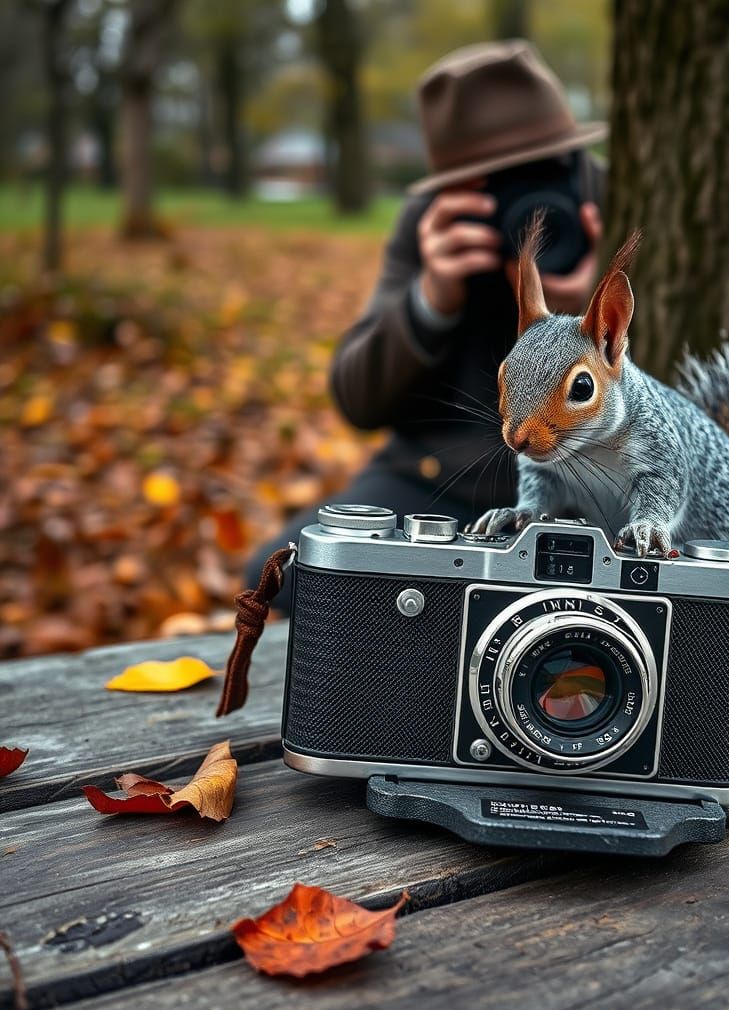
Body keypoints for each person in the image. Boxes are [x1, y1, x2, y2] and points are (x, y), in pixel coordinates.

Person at [244, 39, 607, 607]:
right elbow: (356, 398)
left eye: (541, 171)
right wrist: (431, 296)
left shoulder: (610, 201)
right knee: (279, 576)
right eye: (495, 181)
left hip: (589, 493)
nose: (528, 207)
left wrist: (590, 323)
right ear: (457, 187)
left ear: (573, 158)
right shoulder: (432, 225)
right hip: (434, 480)